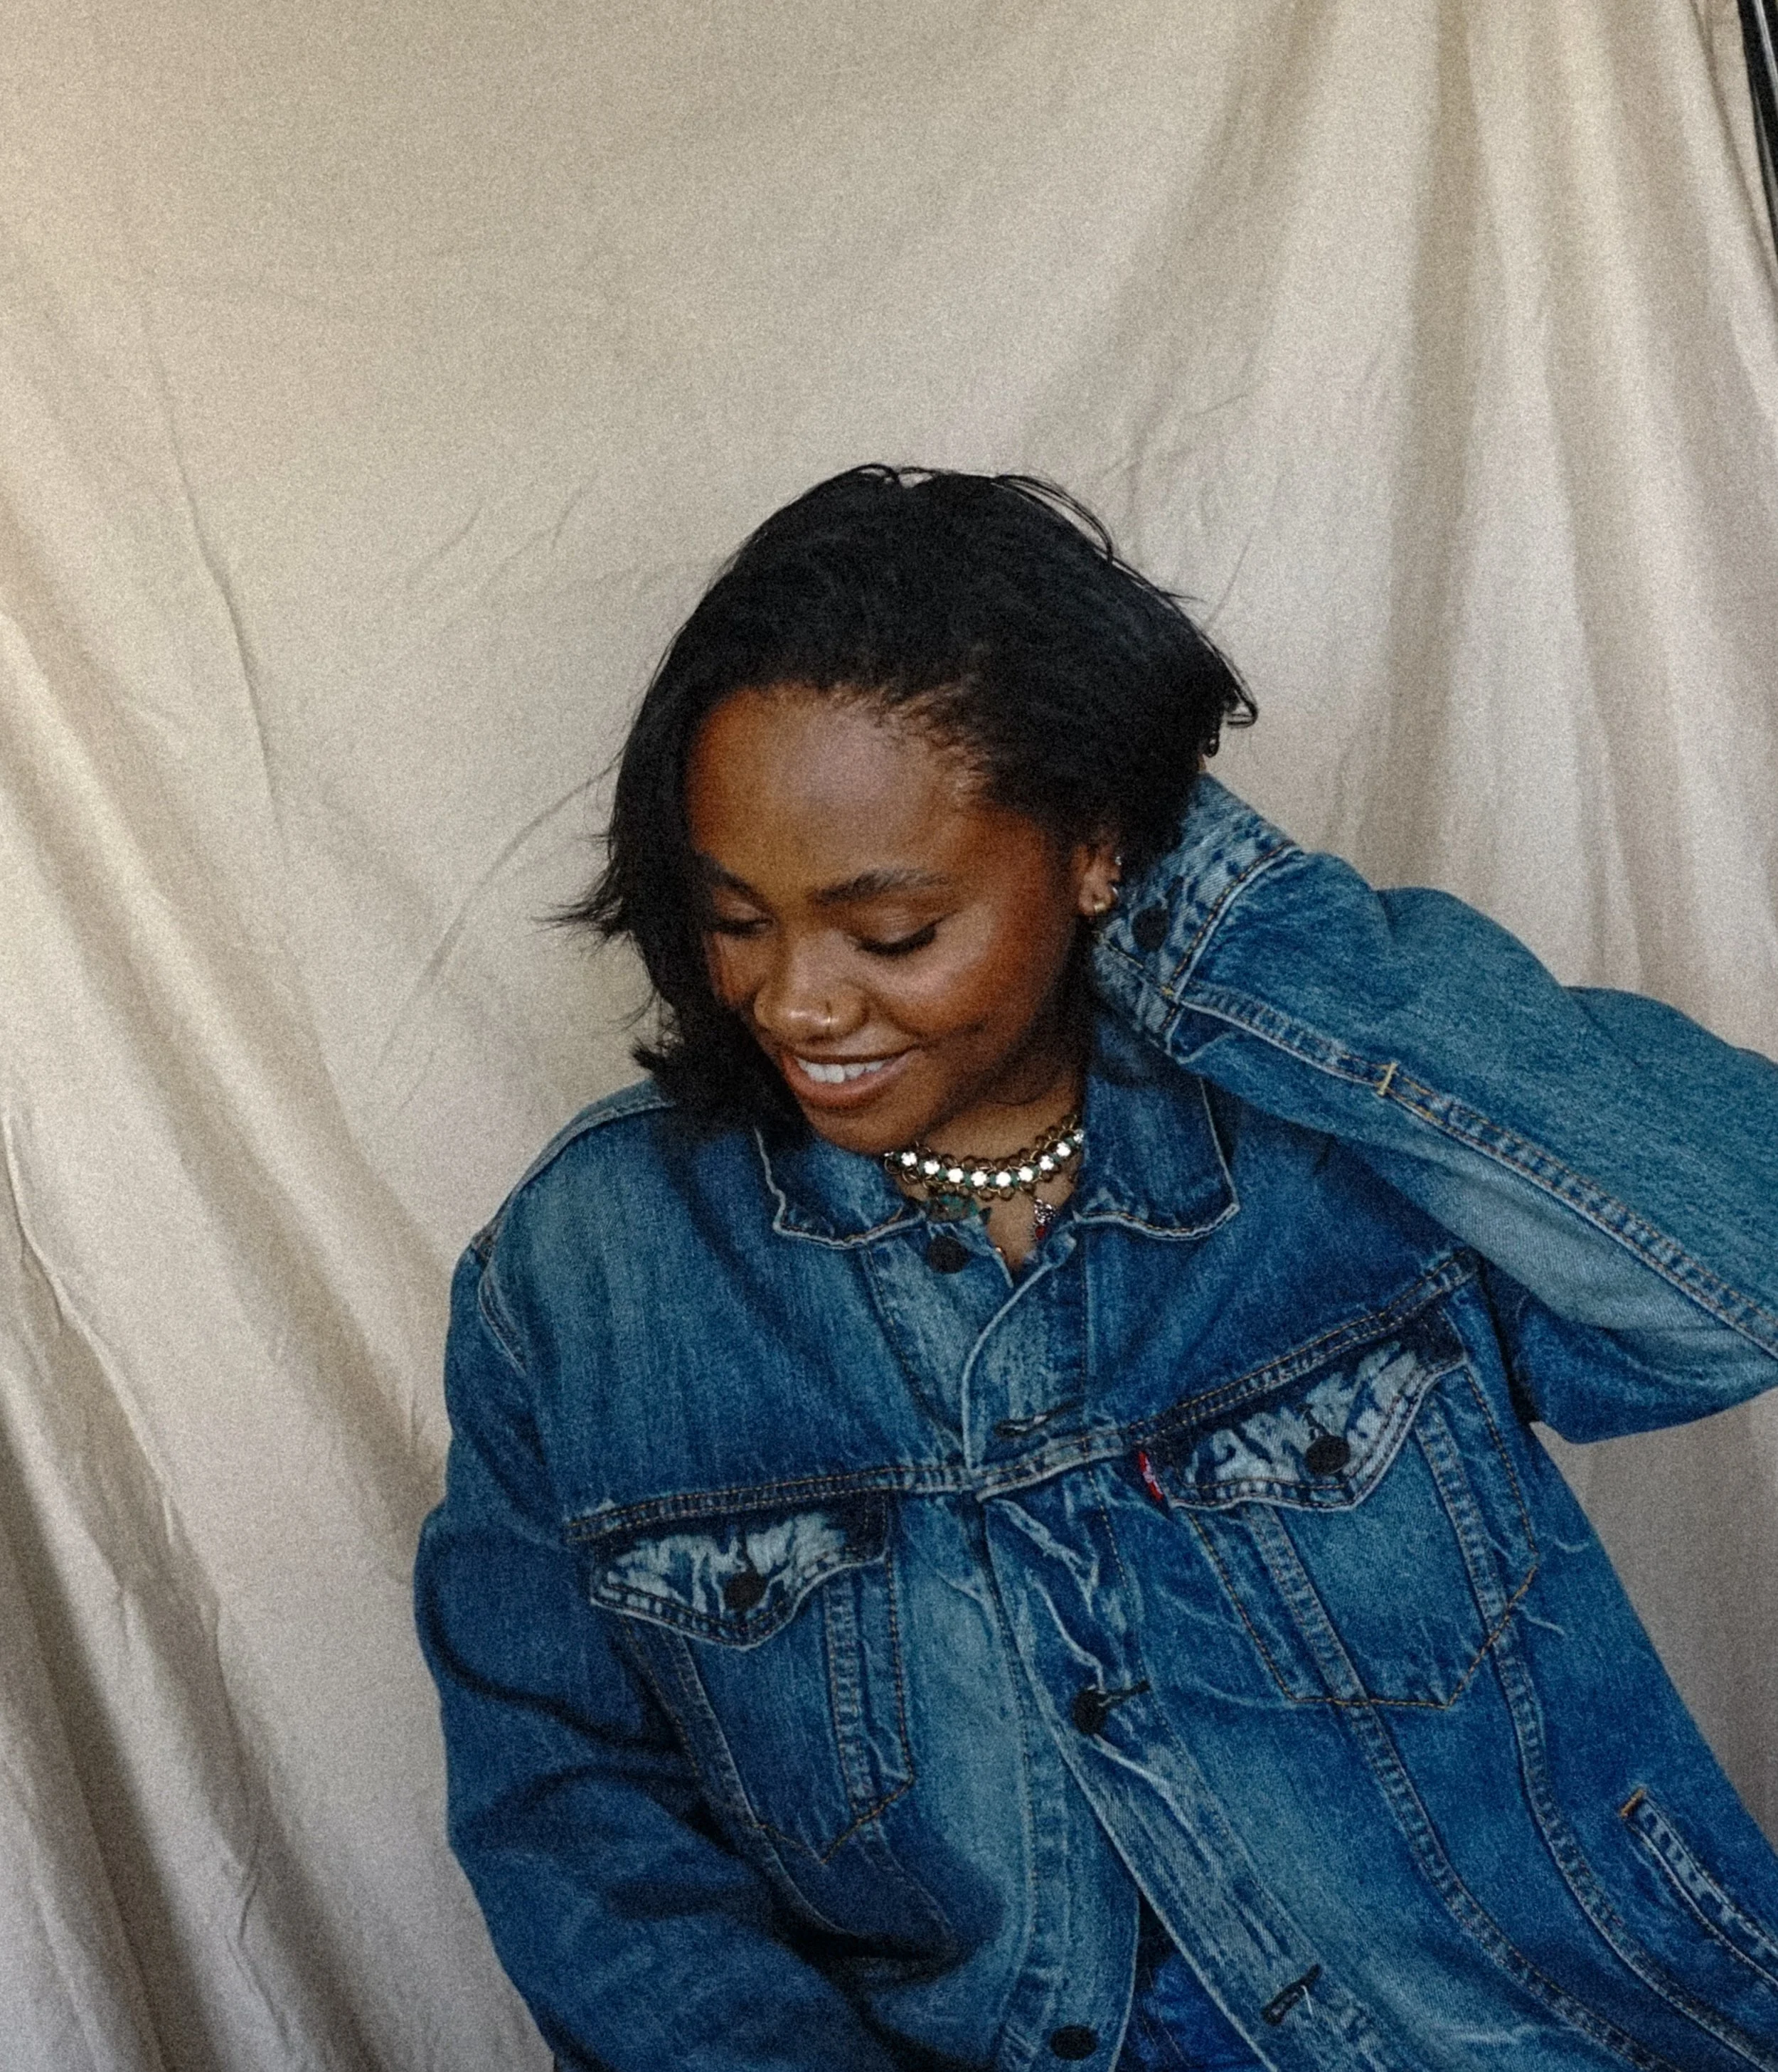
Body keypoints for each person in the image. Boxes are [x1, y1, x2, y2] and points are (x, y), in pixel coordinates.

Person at [414, 466, 1778, 2071]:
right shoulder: (585, 1281)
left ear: (1094, 849)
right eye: (732, 921)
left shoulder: (1332, 1152)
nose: (794, 1002)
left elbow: (1728, 1265)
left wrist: (1222, 921)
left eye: (890, 930)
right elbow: (573, 1818)